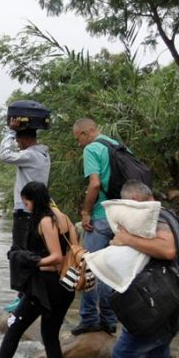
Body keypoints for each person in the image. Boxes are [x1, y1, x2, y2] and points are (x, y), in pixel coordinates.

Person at [110, 180, 179, 358]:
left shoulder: (156, 218)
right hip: (172, 303)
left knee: (123, 354)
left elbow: (167, 250)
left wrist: (126, 239)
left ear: (132, 201)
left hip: (161, 305)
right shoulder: (165, 214)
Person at [0, 181, 76, 358]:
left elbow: (56, 256)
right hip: (66, 285)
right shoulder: (64, 218)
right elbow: (73, 252)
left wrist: (32, 262)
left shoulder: (46, 221)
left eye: (26, 203)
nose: (26, 207)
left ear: (33, 201)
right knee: (50, 335)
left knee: (14, 328)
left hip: (45, 287)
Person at [71, 117, 118, 335]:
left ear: (85, 133)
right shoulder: (116, 145)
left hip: (101, 215)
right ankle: (109, 320)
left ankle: (89, 318)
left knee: (89, 268)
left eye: (78, 138)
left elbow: (96, 184)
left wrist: (86, 212)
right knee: (110, 271)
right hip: (121, 217)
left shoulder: (92, 149)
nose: (79, 144)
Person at [0, 117, 51, 250]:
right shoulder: (44, 155)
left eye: (18, 141)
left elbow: (4, 155)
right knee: (32, 249)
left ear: (27, 140)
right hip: (37, 209)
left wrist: (11, 131)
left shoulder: (30, 155)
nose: (18, 145)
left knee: (20, 251)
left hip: (25, 211)